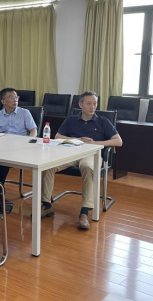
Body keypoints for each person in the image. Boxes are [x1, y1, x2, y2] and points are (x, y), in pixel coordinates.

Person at [41, 91, 122, 231]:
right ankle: (47, 206)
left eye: (95, 104)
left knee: (87, 167)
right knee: (48, 166)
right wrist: (76, 140)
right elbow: (58, 136)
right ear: (80, 104)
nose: (92, 107)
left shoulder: (103, 121)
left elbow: (118, 141)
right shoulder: (71, 120)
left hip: (91, 154)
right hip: (70, 153)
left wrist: (95, 143)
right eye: (89, 103)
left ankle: (84, 212)